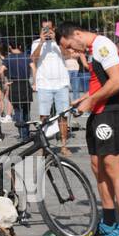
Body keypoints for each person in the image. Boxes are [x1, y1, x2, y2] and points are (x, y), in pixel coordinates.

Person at [57, 23, 119, 236]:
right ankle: (108, 220)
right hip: (98, 112)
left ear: (77, 34)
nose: (71, 51)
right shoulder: (92, 51)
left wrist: (92, 100)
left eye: (69, 45)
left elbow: (117, 81)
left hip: (110, 112)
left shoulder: (102, 45)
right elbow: (101, 82)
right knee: (98, 166)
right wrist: (86, 97)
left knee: (112, 166)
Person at [31, 19, 71, 157]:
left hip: (61, 83)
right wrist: (41, 42)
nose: (47, 31)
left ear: (54, 28)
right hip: (44, 84)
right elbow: (33, 58)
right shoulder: (36, 42)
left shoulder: (60, 41)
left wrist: (57, 41)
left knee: (63, 116)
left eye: (49, 28)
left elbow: (68, 55)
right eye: (44, 29)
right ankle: (43, 146)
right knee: (43, 116)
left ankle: (64, 146)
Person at [3, 40, 33, 142]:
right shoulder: (27, 57)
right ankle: (26, 133)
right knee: (26, 110)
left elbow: (0, 70)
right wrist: (35, 82)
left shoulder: (8, 58)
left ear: (10, 47)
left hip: (14, 84)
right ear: (20, 46)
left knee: (17, 110)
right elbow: (34, 68)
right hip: (25, 84)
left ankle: (22, 134)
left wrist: (5, 81)